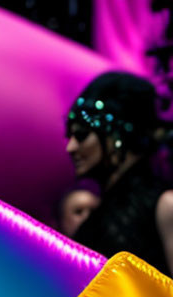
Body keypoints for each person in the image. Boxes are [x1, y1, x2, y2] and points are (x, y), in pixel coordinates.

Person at [65, 71, 173, 276]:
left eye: (81, 135)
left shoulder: (166, 205)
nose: (70, 147)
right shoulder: (93, 214)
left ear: (116, 135)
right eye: (69, 135)